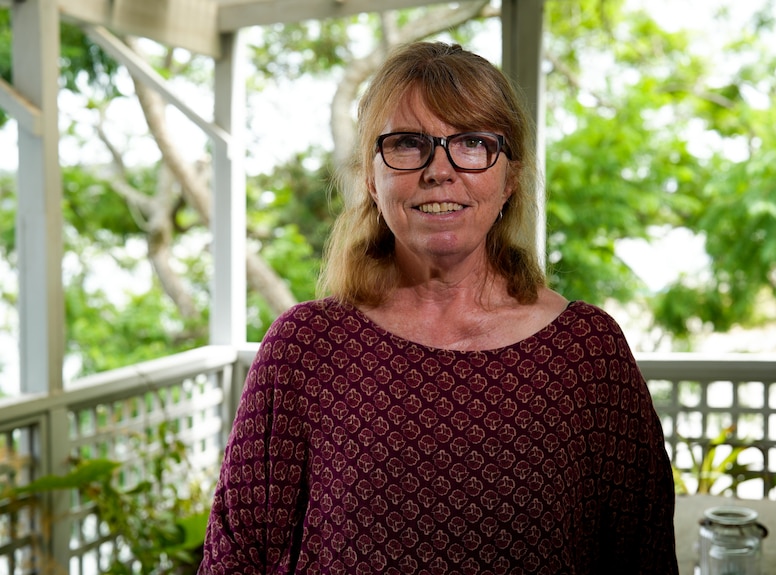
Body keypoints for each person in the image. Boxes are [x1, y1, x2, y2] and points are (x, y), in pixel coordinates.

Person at [198, 41, 678, 574]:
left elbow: (645, 557)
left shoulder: (588, 354)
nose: (439, 170)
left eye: (472, 144)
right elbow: (234, 558)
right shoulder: (305, 347)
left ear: (510, 179)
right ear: (371, 179)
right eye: (408, 144)